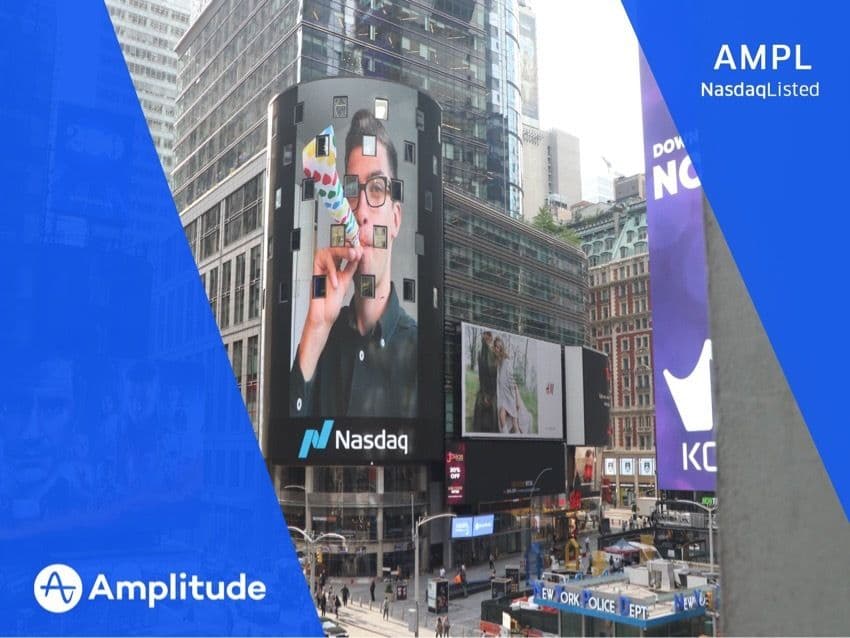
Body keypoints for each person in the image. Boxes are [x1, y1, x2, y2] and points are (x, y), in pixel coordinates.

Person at [291, 109, 417, 418]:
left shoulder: (421, 351)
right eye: (351, 191)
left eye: (376, 189)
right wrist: (315, 327)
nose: (360, 211)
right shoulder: (321, 341)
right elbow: (285, 446)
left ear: (396, 219)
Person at [472, 331, 499, 432]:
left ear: (491, 340)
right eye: (484, 340)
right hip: (484, 388)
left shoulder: (495, 354)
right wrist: (484, 395)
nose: (486, 342)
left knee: (494, 408)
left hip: (495, 389)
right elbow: (481, 376)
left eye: (488, 339)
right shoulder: (480, 355)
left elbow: (497, 377)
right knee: (479, 404)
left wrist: (491, 396)